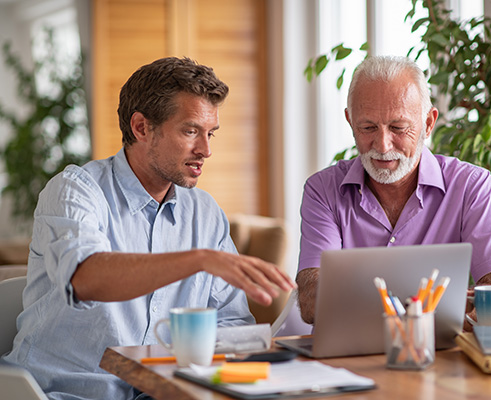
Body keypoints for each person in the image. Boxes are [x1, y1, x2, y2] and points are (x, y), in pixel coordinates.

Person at [0, 57, 295, 399]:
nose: (206, 150)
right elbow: (86, 278)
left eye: (210, 133)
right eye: (190, 131)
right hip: (60, 394)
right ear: (141, 128)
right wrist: (199, 259)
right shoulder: (74, 190)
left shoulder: (205, 213)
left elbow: (231, 325)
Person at [296, 55, 491, 328]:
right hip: (351, 364)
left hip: (444, 363)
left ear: (428, 123)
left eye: (398, 128)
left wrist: (361, 303)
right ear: (350, 121)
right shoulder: (322, 190)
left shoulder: (472, 187)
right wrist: (439, 308)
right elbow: (312, 302)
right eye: (368, 127)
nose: (382, 145)